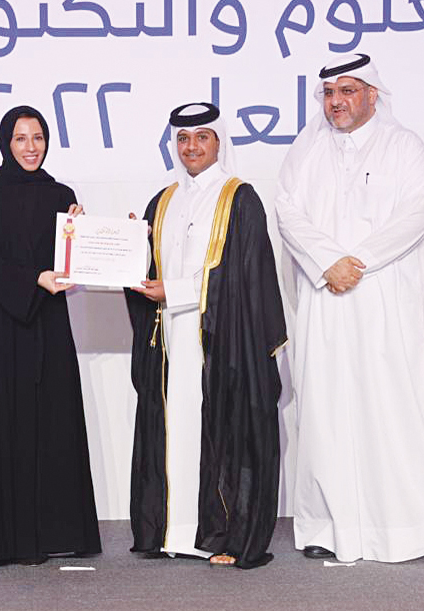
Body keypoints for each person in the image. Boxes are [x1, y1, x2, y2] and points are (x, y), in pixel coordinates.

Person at [275, 53, 424, 563]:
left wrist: (355, 261)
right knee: (325, 406)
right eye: (328, 93)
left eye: (347, 91)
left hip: (384, 295)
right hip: (326, 297)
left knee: (398, 404)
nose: (336, 102)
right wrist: (327, 262)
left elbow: (416, 214)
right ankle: (325, 525)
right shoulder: (305, 151)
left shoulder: (404, 146)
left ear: (371, 94)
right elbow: (288, 212)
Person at [124, 102, 286, 569]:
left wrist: (171, 289)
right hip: (170, 340)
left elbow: (241, 278)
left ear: (219, 143)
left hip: (221, 342)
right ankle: (172, 533)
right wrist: (125, 246)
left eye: (202, 137)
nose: (191, 147)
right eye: (183, 139)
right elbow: (148, 270)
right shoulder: (164, 200)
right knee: (173, 428)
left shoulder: (240, 198)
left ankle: (222, 535)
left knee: (215, 431)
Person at [0, 105, 102, 573]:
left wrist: (83, 236)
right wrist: (32, 280)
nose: (31, 147)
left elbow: (67, 264)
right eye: (20, 138)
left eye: (38, 137)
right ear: (5, 142)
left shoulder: (61, 194)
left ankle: (54, 533)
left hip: (47, 326)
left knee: (50, 421)